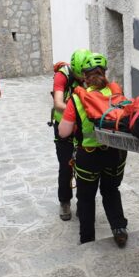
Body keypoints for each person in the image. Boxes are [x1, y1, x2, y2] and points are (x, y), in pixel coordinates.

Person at [58, 52, 128, 247]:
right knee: (111, 190)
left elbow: (63, 132)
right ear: (105, 72)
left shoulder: (77, 98)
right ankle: (119, 229)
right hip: (114, 153)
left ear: (85, 76)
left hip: (87, 157)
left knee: (86, 198)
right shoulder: (116, 92)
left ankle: (87, 239)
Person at [50, 49, 90, 221]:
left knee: (83, 166)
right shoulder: (62, 75)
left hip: (81, 127)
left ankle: (83, 203)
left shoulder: (90, 73)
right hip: (63, 126)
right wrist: (76, 112)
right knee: (66, 166)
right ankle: (65, 201)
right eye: (81, 75)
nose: (84, 78)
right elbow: (58, 102)